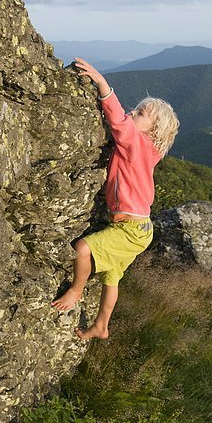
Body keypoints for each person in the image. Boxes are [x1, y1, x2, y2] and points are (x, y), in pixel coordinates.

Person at [51, 57, 180, 340]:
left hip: (131, 229)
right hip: (139, 228)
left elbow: (119, 123)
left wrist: (101, 82)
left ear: (153, 130)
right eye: (137, 109)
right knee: (112, 278)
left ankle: (76, 289)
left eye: (141, 113)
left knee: (82, 249)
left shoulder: (136, 143)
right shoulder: (151, 150)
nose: (134, 112)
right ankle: (101, 325)